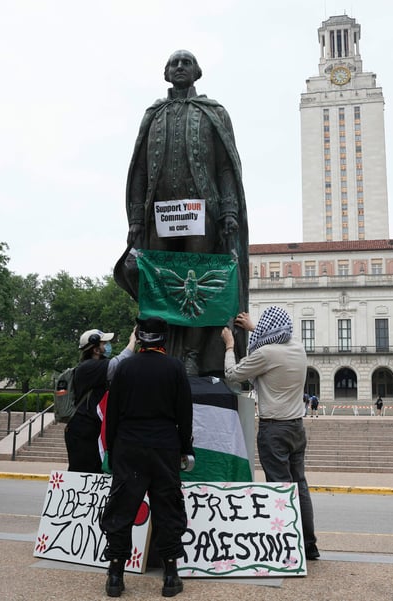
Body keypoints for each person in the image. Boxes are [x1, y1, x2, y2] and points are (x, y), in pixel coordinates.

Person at [113, 49, 249, 377]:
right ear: (165, 72)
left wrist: (229, 209)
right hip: (161, 213)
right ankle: (152, 347)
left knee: (198, 284)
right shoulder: (153, 114)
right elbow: (141, 169)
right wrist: (135, 218)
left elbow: (225, 167)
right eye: (174, 63)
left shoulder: (213, 112)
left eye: (186, 63)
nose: (179, 67)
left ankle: (191, 355)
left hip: (202, 212)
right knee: (156, 282)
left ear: (197, 71)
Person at [100, 316, 193, 598]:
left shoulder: (125, 368)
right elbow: (185, 414)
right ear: (164, 339)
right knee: (168, 508)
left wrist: (114, 449)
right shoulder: (175, 368)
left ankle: (115, 575)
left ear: (139, 338)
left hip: (129, 444)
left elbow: (112, 413)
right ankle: (170, 576)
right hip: (164, 445)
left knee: (122, 509)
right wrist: (185, 449)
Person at [221, 307, 320, 561]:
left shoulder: (265, 354)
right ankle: (309, 545)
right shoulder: (298, 348)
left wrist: (230, 346)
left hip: (273, 428)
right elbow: (275, 337)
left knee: (278, 488)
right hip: (297, 426)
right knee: (300, 487)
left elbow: (233, 376)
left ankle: (286, 548)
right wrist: (255, 329)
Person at [64, 328, 136, 473]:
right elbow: (119, 364)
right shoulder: (89, 367)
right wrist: (132, 341)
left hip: (90, 428)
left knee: (94, 470)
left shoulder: (96, 366)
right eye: (104, 343)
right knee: (82, 472)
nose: (107, 346)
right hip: (83, 429)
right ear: (96, 349)